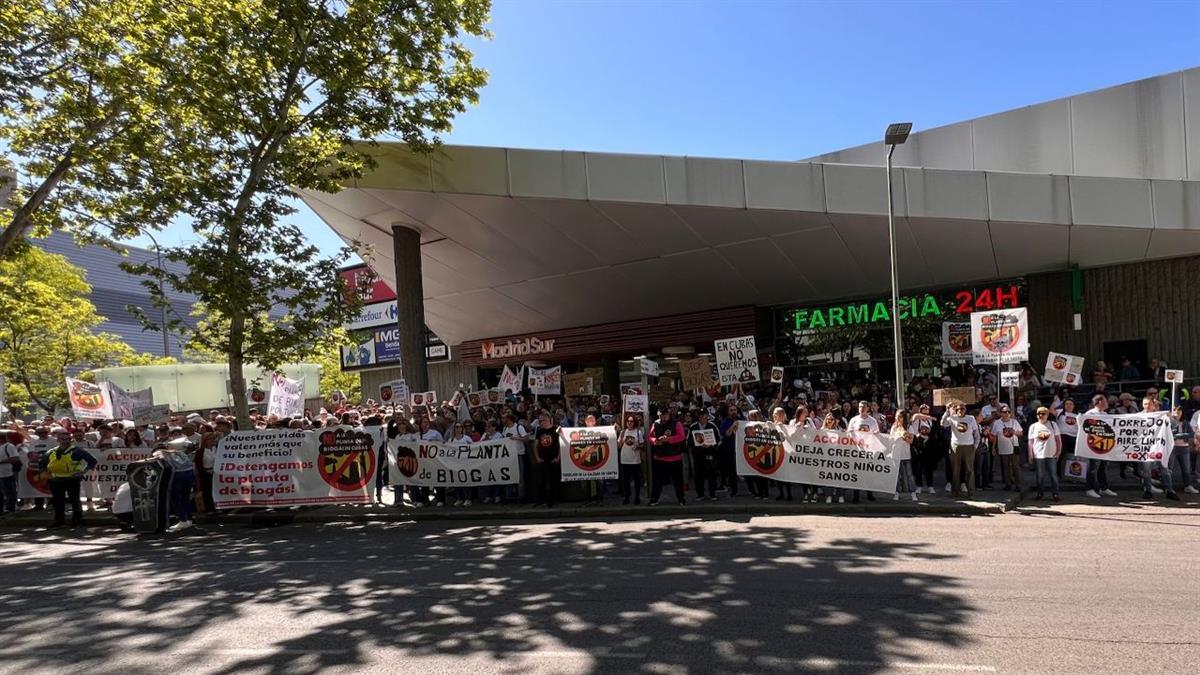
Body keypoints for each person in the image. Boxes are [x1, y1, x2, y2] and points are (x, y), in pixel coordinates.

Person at [37, 428, 97, 528]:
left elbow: (92, 461)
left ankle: (77, 521)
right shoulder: (51, 452)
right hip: (55, 480)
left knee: (75, 501)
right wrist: (45, 474)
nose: (65, 441)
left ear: (70, 440)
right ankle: (59, 521)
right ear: (58, 440)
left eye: (67, 439)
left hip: (72, 479)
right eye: (62, 439)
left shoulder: (77, 451)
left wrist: (83, 471)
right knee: (58, 502)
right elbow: (42, 464)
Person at [940, 401, 980, 498]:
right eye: (957, 409)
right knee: (955, 470)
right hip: (956, 446)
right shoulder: (952, 418)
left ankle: (971, 493)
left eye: (962, 409)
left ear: (965, 410)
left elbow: (976, 433)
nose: (960, 411)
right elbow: (943, 423)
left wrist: (975, 446)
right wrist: (947, 412)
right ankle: (955, 492)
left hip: (968, 446)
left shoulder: (971, 419)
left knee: (970, 470)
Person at [648, 406, 686, 506]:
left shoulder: (676, 423)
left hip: (675, 457)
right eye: (660, 416)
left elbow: (681, 437)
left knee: (678, 481)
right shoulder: (655, 423)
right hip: (659, 457)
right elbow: (650, 437)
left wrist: (668, 439)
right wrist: (655, 441)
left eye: (664, 416)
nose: (662, 418)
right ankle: (654, 499)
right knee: (657, 481)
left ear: (669, 415)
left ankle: (681, 499)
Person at [155, 440, 197, 531]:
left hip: (178, 475)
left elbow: (159, 459)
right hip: (189, 474)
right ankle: (189, 520)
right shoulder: (178, 451)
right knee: (186, 498)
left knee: (176, 498)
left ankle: (183, 520)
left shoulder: (159, 452)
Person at [1028, 407, 1061, 501]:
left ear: (1047, 415)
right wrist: (1030, 454)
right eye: (1039, 414)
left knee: (1053, 475)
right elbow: (1030, 442)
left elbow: (1058, 440)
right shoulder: (1033, 426)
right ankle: (1040, 493)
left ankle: (1055, 494)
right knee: (1040, 475)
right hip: (1038, 454)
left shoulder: (1053, 424)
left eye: (1044, 414)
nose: (1041, 416)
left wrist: (1058, 451)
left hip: (1051, 453)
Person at [689, 409, 721, 501]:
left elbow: (719, 439)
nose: (702, 418)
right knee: (698, 475)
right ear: (698, 417)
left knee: (712, 474)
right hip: (698, 454)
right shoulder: (693, 427)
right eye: (700, 417)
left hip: (710, 453)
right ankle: (700, 494)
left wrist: (711, 445)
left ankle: (712, 494)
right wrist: (697, 444)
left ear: (707, 416)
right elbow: (689, 441)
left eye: (704, 416)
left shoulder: (712, 425)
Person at [990, 405, 1023, 491]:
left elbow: (1021, 433)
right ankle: (1008, 484)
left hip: (1014, 446)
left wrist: (1014, 432)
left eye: (1008, 412)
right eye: (1005, 412)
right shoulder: (997, 423)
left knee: (1015, 466)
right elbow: (994, 436)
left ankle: (1018, 484)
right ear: (1001, 413)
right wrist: (993, 448)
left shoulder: (1014, 422)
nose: (1007, 413)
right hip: (1003, 447)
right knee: (1006, 466)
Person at [532, 411, 561, 508]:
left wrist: (558, 457)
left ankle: (552, 500)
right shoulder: (539, 431)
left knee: (553, 481)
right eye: (540, 421)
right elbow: (535, 445)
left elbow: (562, 444)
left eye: (542, 420)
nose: (541, 422)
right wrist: (537, 457)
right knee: (541, 480)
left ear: (548, 419)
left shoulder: (556, 429)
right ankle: (541, 500)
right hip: (542, 459)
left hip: (553, 459)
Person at [890, 411, 918, 501]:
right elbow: (890, 439)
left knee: (909, 475)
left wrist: (905, 436)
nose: (898, 418)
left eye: (900, 417)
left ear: (904, 417)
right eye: (897, 416)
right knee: (897, 476)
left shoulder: (909, 427)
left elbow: (911, 441)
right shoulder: (894, 427)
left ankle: (913, 493)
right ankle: (896, 493)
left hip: (906, 455)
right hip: (895, 454)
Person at [618, 414, 645, 505]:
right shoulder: (623, 432)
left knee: (637, 480)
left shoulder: (638, 432)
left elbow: (642, 445)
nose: (629, 423)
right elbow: (619, 446)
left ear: (634, 422)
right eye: (628, 421)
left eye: (631, 421)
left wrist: (638, 446)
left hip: (635, 460)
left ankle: (637, 497)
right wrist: (621, 439)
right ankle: (627, 497)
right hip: (625, 459)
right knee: (626, 480)